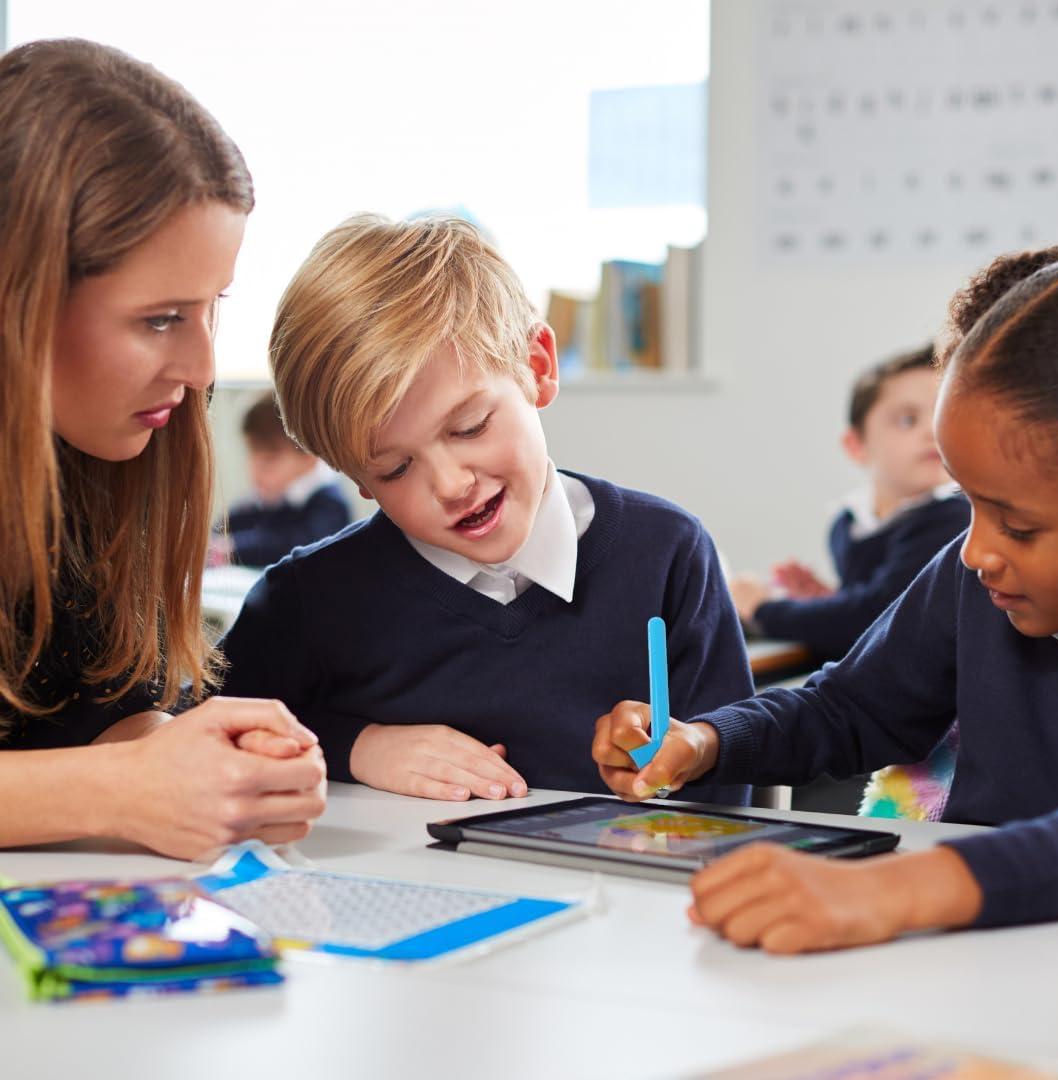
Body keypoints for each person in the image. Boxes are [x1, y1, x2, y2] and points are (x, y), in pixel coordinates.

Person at [592, 247, 1058, 952]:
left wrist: (897, 890)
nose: (975, 551)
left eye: (1019, 524)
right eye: (966, 502)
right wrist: (705, 740)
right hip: (972, 951)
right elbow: (851, 705)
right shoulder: (972, 579)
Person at [219, 214, 753, 803]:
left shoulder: (666, 556)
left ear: (538, 367)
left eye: (470, 426)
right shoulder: (308, 598)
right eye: (394, 469)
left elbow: (728, 791)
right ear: (356, 479)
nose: (450, 484)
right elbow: (205, 738)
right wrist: (357, 746)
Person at [0, 39, 326, 860]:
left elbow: (76, 732)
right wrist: (121, 788)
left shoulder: (96, 463)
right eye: (159, 318)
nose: (203, 370)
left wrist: (182, 758)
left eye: (212, 306)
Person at [729, 344, 970, 661]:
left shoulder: (952, 517)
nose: (932, 431)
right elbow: (866, 612)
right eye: (908, 420)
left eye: (944, 415)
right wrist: (827, 602)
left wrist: (763, 609)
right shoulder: (848, 521)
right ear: (857, 446)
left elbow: (876, 615)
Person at [209, 391, 351, 567]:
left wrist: (234, 548)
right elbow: (225, 525)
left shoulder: (330, 503)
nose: (255, 473)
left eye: (269, 461)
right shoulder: (271, 495)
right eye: (252, 458)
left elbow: (298, 544)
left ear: (310, 455)